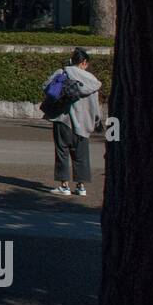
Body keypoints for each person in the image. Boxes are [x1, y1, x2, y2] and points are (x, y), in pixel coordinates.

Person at [46, 48, 102, 196]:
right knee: (81, 155)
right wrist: (97, 120)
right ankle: (81, 186)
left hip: (63, 119)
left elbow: (46, 87)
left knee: (62, 152)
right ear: (84, 62)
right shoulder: (92, 81)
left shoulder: (62, 72)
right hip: (84, 122)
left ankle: (64, 186)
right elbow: (95, 105)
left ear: (72, 60)